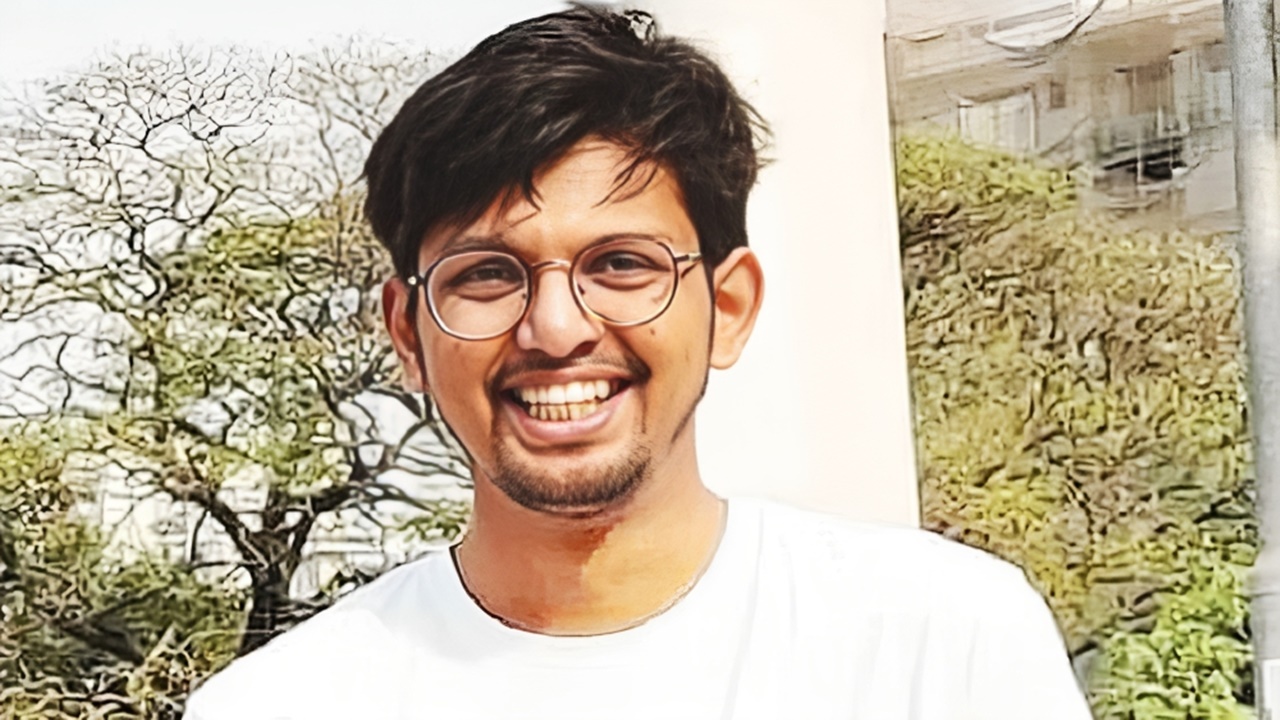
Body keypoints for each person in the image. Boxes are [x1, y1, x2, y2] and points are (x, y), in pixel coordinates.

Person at [184, 7, 1094, 719]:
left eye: (621, 264)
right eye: (487, 274)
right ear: (406, 332)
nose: (555, 329)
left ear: (728, 308)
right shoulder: (281, 705)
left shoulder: (939, 646)